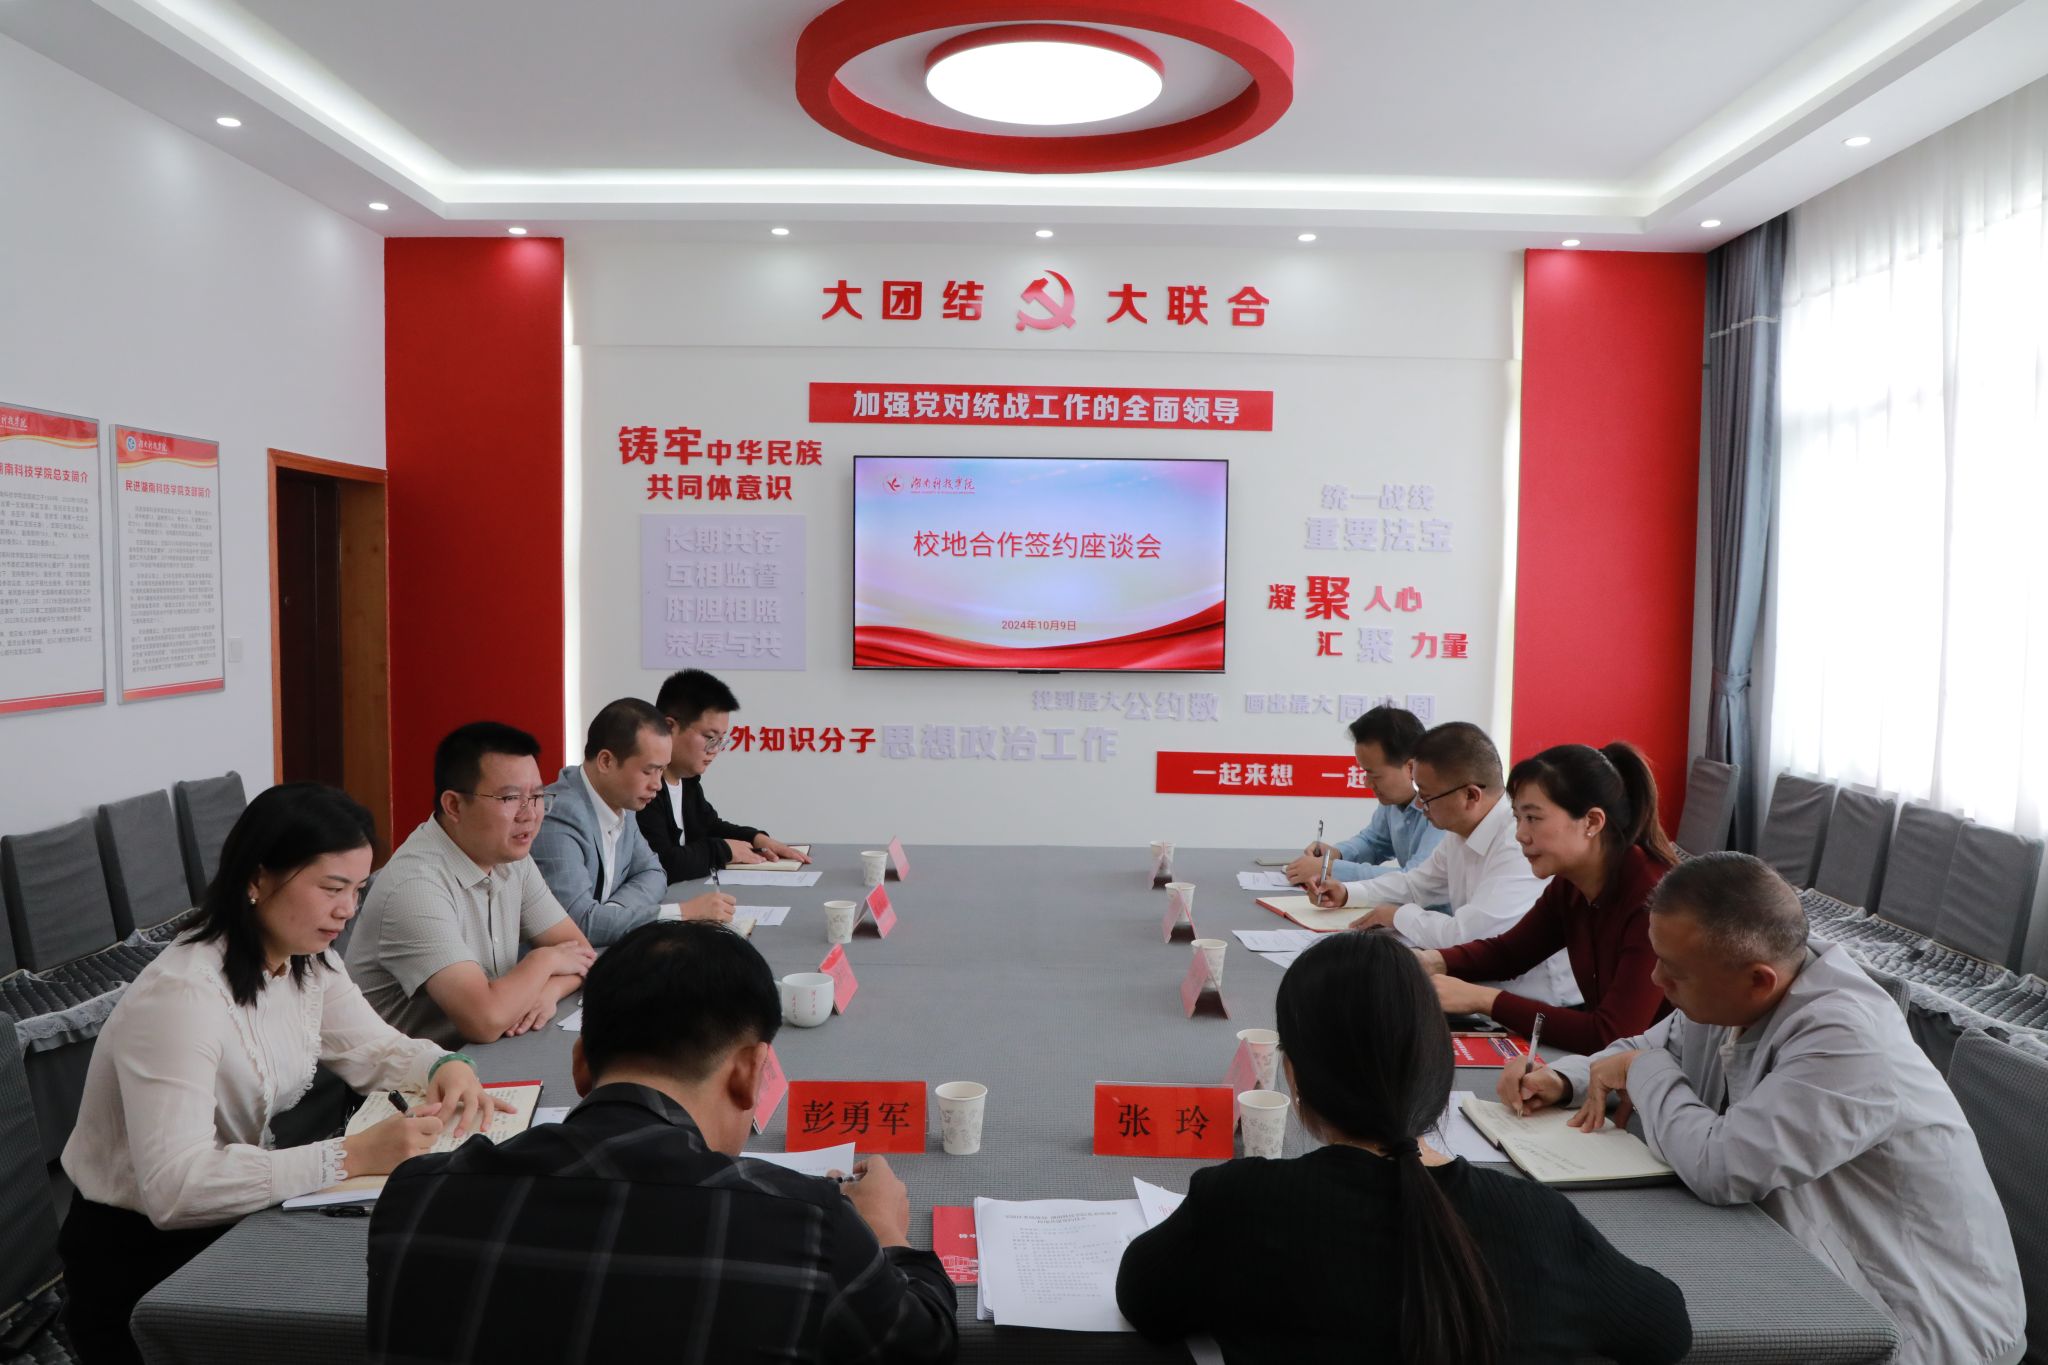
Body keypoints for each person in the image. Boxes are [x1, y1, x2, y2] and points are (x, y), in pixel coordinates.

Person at [1507, 853, 2024, 1365]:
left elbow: (1722, 1167)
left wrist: (1641, 1071)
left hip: (1911, 1324)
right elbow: (1650, 1046)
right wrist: (1564, 1079)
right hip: (1795, 1265)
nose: (1657, 979)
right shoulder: (1732, 990)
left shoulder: (1848, 1037)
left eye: (1675, 971)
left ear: (1759, 980)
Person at [367, 920, 958, 1365]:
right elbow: (924, 1344)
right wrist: (886, 1232)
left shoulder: (417, 1198)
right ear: (749, 1073)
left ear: (580, 1065)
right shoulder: (810, 1227)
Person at [59, 784, 504, 1365]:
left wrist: (444, 1065)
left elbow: (374, 1049)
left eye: (357, 890)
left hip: (232, 1217)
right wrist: (351, 1156)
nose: (347, 910)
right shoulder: (182, 997)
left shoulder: (305, 961)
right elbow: (175, 1188)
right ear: (258, 879)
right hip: (142, 1260)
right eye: (331, 889)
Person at [1117, 931, 1690, 1365]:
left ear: (1294, 1078)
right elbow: (1666, 1331)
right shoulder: (1537, 1222)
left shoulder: (1240, 1205)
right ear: (1441, 1070)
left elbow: (1144, 1300)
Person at [348, 722, 597, 1045]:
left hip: (487, 1052)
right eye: (510, 797)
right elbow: (485, 1021)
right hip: (414, 1071)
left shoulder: (510, 856)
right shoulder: (415, 887)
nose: (530, 814)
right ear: (453, 805)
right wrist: (544, 961)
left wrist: (548, 992)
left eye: (537, 796)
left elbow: (581, 954)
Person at [1417, 743, 1677, 1053]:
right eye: (1517, 818)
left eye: (1533, 818)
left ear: (1592, 822)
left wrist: (1484, 1000)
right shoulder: (1571, 884)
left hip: (1669, 1070)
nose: (1520, 834)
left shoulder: (1652, 898)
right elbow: (1510, 953)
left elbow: (1611, 1034)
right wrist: (1433, 960)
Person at [1311, 721, 1574, 1007]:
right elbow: (1416, 884)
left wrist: (1399, 915)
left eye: (1426, 797)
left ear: (1471, 795)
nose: (1420, 807)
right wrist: (1348, 892)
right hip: (1481, 990)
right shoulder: (1460, 832)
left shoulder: (1516, 841)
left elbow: (1471, 936)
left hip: (1536, 1006)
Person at [533, 697, 734, 946]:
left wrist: (613, 913)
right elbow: (578, 925)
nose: (657, 784)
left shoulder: (622, 801)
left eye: (661, 770)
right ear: (606, 761)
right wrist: (682, 914)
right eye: (648, 771)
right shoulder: (559, 814)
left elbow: (654, 873)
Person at [638, 667, 809, 883]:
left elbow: (709, 827)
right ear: (669, 727)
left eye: (721, 740)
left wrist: (756, 839)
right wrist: (724, 850)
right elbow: (663, 863)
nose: (715, 749)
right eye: (710, 737)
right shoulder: (644, 788)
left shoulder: (687, 781)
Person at [1285, 705, 1445, 886]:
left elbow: (1416, 878)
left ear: (1411, 768)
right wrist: (1336, 854)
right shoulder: (1393, 799)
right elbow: (1373, 843)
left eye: (1374, 775)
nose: (1367, 783)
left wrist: (1329, 869)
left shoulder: (1442, 807)